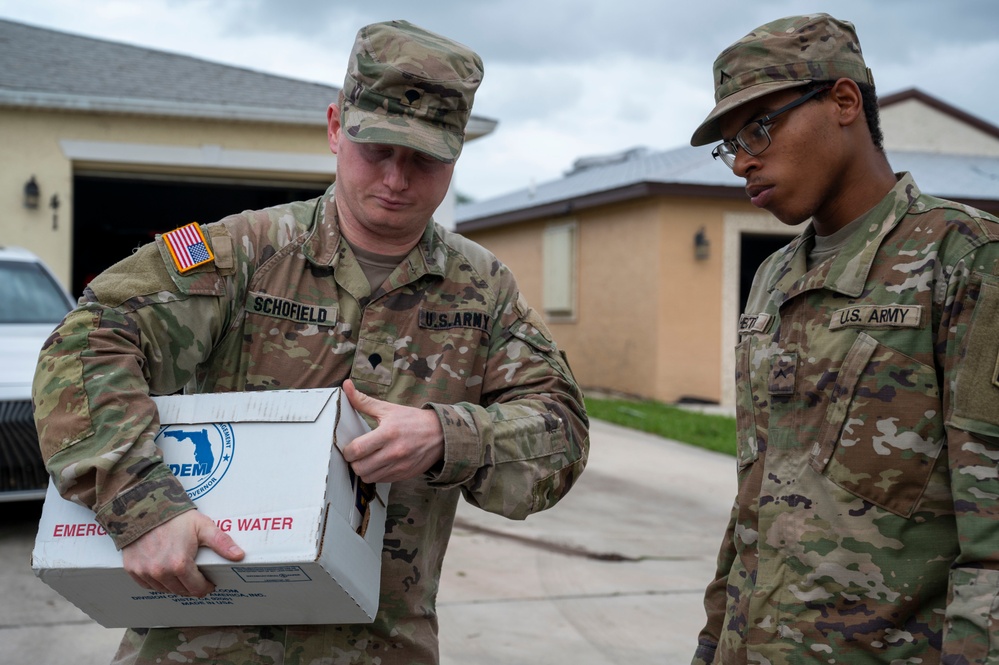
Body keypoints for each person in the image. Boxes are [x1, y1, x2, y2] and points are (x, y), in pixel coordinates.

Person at [32, 19, 589, 665]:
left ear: (457, 153)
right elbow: (84, 345)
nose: (396, 177)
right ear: (334, 127)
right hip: (202, 639)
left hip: (381, 645)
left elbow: (559, 436)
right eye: (376, 147)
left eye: (425, 157)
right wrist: (141, 502)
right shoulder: (242, 252)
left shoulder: (484, 291)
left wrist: (447, 436)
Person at [688, 13, 999, 665]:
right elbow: (753, 499)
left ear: (842, 101)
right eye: (729, 143)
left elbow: (991, 544)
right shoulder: (773, 278)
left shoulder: (965, 260)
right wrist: (711, 643)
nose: (742, 158)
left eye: (758, 126)